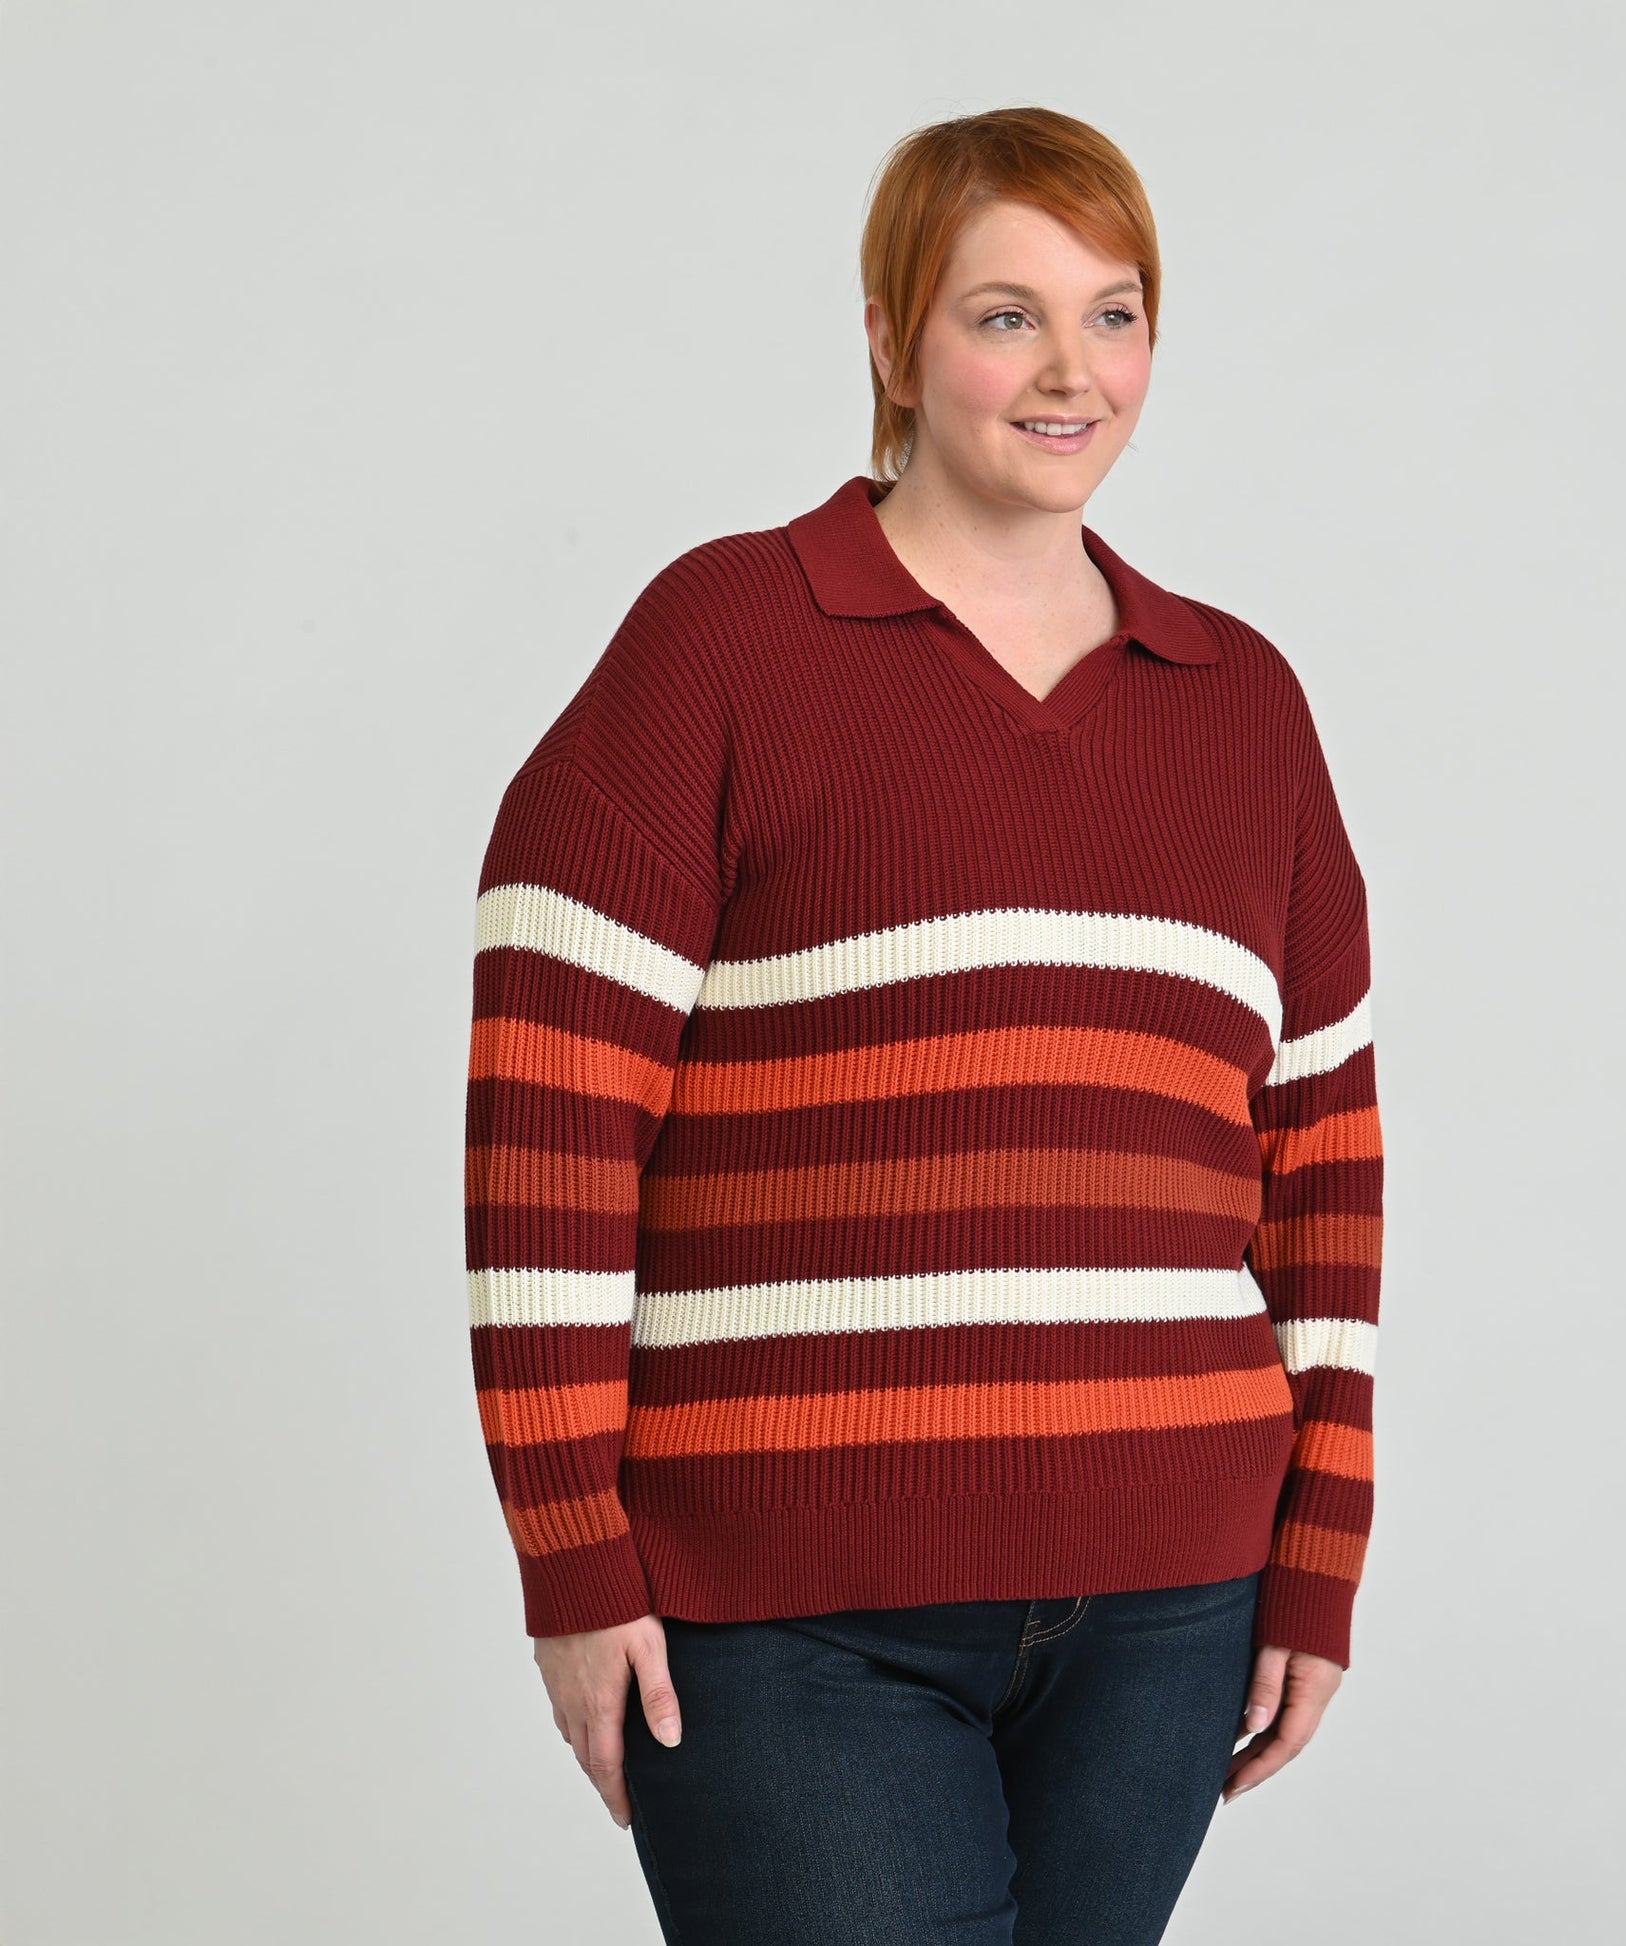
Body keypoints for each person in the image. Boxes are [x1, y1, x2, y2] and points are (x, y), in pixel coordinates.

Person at [463, 104, 1384, 1946]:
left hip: (1169, 1598)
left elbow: (1321, 1163)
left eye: (1113, 315)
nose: (1070, 371)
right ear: (891, 343)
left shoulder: (1241, 702)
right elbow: (548, 1123)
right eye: (1004, 315)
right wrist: (570, 1552)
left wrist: (1317, 1552)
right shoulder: (722, 646)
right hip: (789, 1612)